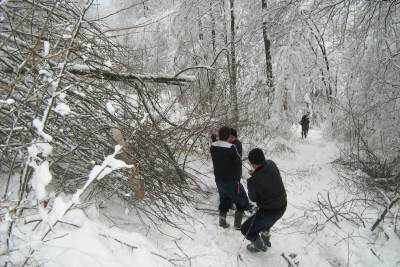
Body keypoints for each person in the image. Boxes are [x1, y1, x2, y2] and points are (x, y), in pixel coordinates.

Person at [241, 148, 287, 253]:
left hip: (269, 211)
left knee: (245, 229)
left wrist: (253, 178)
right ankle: (266, 239)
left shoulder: (253, 181)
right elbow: (266, 176)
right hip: (282, 205)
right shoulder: (271, 164)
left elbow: (253, 198)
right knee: (266, 222)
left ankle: (259, 246)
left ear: (253, 164)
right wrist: (256, 173)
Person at [210, 126, 250, 229]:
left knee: (224, 199)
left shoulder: (213, 146)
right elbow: (238, 162)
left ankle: (222, 222)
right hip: (231, 181)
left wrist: (213, 136)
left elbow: (217, 144)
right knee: (242, 200)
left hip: (219, 180)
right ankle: (237, 225)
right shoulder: (231, 148)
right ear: (228, 136)